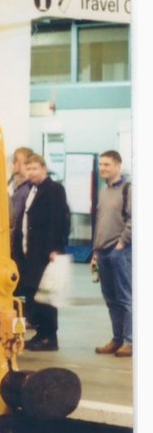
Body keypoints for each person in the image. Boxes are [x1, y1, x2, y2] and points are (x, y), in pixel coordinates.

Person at [11, 153, 70, 351]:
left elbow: (59, 219)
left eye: (35, 168)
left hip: (45, 252)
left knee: (46, 295)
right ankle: (40, 333)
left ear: (44, 169)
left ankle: (49, 337)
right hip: (30, 251)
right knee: (33, 293)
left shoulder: (54, 190)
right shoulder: (31, 189)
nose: (31, 172)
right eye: (28, 169)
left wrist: (55, 248)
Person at [91, 150, 132, 357]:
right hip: (103, 252)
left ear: (118, 165)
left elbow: (134, 220)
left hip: (120, 252)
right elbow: (100, 222)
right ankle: (117, 339)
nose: (102, 168)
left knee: (125, 298)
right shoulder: (104, 190)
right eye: (101, 165)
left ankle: (130, 341)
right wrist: (95, 252)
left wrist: (121, 244)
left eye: (106, 164)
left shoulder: (128, 189)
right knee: (111, 299)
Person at [8, 147, 35, 232]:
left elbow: (13, 219)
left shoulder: (25, 191)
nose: (13, 164)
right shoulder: (23, 188)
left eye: (16, 161)